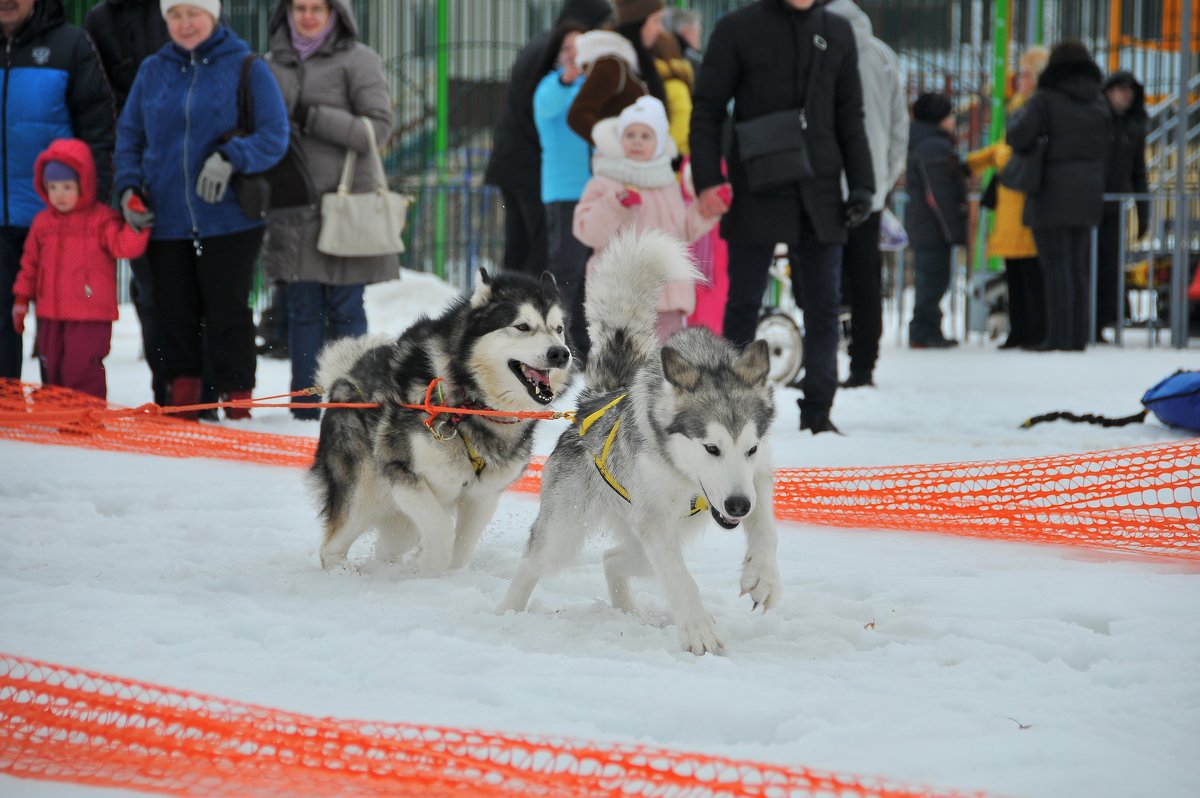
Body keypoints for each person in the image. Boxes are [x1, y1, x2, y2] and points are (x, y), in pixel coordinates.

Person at [690, 0, 874, 435]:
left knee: (824, 304)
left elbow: (851, 114)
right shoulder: (738, 28)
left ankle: (818, 412)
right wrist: (707, 180)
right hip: (757, 182)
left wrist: (863, 183)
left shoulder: (837, 31)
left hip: (821, 186)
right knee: (745, 302)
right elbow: (708, 108)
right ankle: (732, 410)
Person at [114, 0, 289, 420]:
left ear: (213, 16)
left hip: (230, 219)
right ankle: (185, 403)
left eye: (194, 13)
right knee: (174, 313)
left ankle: (238, 405)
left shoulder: (247, 66)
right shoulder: (152, 71)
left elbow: (275, 134)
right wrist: (127, 188)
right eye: (175, 14)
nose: (185, 23)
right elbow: (129, 138)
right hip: (165, 220)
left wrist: (231, 157)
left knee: (227, 310)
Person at [261, 0, 395, 421]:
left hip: (344, 209)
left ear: (336, 13)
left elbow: (379, 129)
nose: (307, 15)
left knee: (345, 308)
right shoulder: (269, 65)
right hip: (293, 208)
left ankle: (351, 405)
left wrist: (315, 117)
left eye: (317, 7)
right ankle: (305, 407)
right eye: (299, 7)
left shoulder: (358, 60)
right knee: (301, 309)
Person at [1, 0, 115, 382]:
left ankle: (65, 405)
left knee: (65, 329)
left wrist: (93, 207)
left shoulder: (70, 45)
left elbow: (98, 128)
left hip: (58, 219)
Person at [11, 139, 150, 400]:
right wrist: (21, 298)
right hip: (50, 312)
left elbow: (124, 247)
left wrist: (137, 225)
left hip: (89, 314)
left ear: (83, 184)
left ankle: (85, 415)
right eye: (52, 187)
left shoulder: (101, 220)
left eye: (67, 187)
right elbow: (29, 264)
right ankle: (57, 412)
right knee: (51, 364)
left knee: (81, 367)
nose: (59, 194)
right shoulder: (42, 223)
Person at [484, 0, 613, 276]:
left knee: (517, 247)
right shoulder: (556, 55)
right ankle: (528, 308)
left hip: (511, 163)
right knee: (541, 248)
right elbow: (548, 110)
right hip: (532, 168)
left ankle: (507, 306)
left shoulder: (539, 44)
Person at [573, 96, 718, 339]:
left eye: (645, 136)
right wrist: (614, 205)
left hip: (667, 295)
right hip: (621, 296)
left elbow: (682, 233)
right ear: (620, 139)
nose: (637, 142)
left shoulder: (667, 183)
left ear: (659, 142)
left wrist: (705, 211)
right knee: (621, 362)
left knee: (663, 364)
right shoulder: (605, 180)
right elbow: (586, 231)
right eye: (630, 135)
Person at [86, 0, 172, 404]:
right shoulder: (100, 20)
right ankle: (166, 387)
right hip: (132, 168)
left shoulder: (180, 9)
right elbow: (98, 102)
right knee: (152, 288)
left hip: (185, 166)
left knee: (200, 291)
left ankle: (207, 387)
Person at [1007, 39, 1111, 352]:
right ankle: (1077, 337)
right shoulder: (1098, 101)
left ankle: (1058, 336)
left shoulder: (1045, 99)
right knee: (1078, 268)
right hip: (1089, 191)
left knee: (1055, 268)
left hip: (1050, 190)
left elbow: (1017, 136)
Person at [825, 0, 907, 387]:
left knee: (820, 274)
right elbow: (898, 125)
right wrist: (884, 179)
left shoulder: (818, 44)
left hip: (823, 184)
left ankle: (822, 357)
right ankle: (864, 364)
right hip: (870, 186)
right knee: (866, 277)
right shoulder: (882, 54)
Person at [966, 46, 1049, 350]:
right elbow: (1003, 148)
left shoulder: (1032, 108)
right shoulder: (1018, 106)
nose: (1019, 80)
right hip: (1010, 200)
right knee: (1015, 269)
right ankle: (1021, 329)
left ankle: (1030, 329)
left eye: (1025, 74)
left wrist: (988, 159)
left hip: (1021, 199)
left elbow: (1008, 151)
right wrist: (976, 161)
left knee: (1027, 269)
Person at [533, 20, 595, 361]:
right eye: (567, 49)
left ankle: (583, 343)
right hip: (565, 192)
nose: (573, 56)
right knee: (567, 272)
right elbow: (548, 108)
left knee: (593, 273)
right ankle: (561, 342)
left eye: (580, 48)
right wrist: (565, 80)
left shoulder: (593, 85)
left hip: (599, 191)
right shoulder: (549, 87)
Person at [905, 93, 967, 349]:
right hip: (933, 227)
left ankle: (928, 328)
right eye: (949, 115)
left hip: (925, 225)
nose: (953, 120)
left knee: (931, 278)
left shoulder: (924, 142)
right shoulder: (934, 146)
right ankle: (923, 330)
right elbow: (939, 193)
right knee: (933, 279)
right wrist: (954, 229)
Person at [1096, 70, 1149, 341]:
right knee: (1090, 265)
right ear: (1107, 91)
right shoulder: (1096, 119)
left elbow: (1139, 172)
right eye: (1120, 88)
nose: (1126, 94)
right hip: (1091, 203)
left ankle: (1103, 320)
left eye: (1130, 89)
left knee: (1110, 268)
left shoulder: (1134, 126)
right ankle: (1089, 322)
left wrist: (1144, 212)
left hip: (1115, 207)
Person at [568, 0, 666, 145]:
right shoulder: (612, 63)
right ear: (638, 22)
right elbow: (578, 115)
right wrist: (617, 146)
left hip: (641, 165)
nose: (660, 29)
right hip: (619, 166)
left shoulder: (636, 61)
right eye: (656, 20)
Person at [665, 7, 702, 76]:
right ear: (686, 32)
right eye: (698, 33)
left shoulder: (663, 55)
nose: (700, 39)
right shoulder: (694, 63)